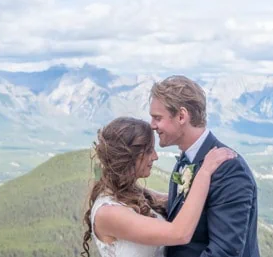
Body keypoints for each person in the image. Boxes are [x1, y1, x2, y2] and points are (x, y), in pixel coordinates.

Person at [82, 116, 236, 257]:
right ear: (129, 156)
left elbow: (178, 204)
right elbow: (180, 233)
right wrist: (205, 172)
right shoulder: (108, 213)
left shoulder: (133, 193)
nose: (155, 156)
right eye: (149, 150)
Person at [150, 75, 260, 257]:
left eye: (157, 118)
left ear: (182, 116)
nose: (152, 125)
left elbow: (224, 252)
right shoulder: (187, 160)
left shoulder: (229, 168)